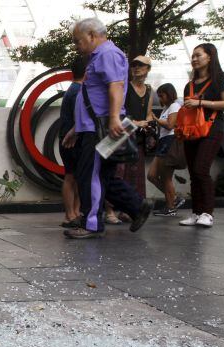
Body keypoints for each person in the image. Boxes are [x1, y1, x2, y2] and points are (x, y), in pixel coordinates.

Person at [61, 18, 151, 239]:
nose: (76, 46)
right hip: (95, 126)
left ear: (91, 35)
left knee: (89, 175)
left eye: (78, 41)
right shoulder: (98, 57)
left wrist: (113, 118)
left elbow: (116, 87)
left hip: (101, 128)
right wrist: (76, 128)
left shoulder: (107, 54)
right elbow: (93, 97)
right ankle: (137, 206)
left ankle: (91, 224)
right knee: (103, 177)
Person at [178, 43, 224, 228]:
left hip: (212, 130)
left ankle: (207, 213)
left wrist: (201, 102)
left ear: (210, 57)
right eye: (193, 56)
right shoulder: (189, 85)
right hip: (191, 132)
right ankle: (196, 212)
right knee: (194, 172)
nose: (194, 59)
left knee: (201, 169)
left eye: (198, 55)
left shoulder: (221, 78)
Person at [59, 55, 87, 228]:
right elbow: (81, 117)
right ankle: (71, 214)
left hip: (70, 138)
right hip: (72, 140)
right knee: (71, 177)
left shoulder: (74, 89)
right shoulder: (78, 91)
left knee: (75, 176)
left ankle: (74, 213)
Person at [149, 83, 185, 216]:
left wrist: (156, 119)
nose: (160, 99)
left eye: (162, 95)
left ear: (169, 94)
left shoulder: (175, 106)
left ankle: (170, 207)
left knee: (166, 177)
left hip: (170, 141)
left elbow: (170, 125)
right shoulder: (166, 108)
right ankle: (174, 198)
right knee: (152, 175)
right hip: (163, 142)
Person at [122, 55, 155, 199]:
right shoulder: (124, 86)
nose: (136, 68)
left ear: (148, 69)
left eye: (140, 65)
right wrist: (136, 123)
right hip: (120, 133)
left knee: (136, 174)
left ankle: (130, 209)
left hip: (138, 137)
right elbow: (116, 113)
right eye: (134, 65)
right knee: (117, 173)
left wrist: (147, 123)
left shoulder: (149, 90)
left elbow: (148, 114)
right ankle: (110, 212)